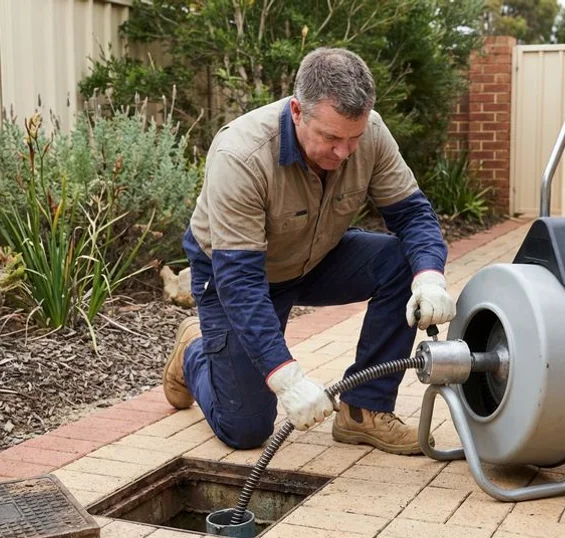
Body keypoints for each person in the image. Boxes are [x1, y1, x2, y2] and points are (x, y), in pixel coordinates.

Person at [162, 47, 456, 455]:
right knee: (246, 430)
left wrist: (430, 278)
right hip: (240, 274)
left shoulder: (370, 132)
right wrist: (288, 379)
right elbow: (241, 282)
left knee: (405, 262)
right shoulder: (241, 155)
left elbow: (413, 216)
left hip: (316, 256)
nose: (343, 153)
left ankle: (363, 409)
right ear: (298, 112)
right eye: (331, 138)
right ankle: (195, 353)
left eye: (353, 139)